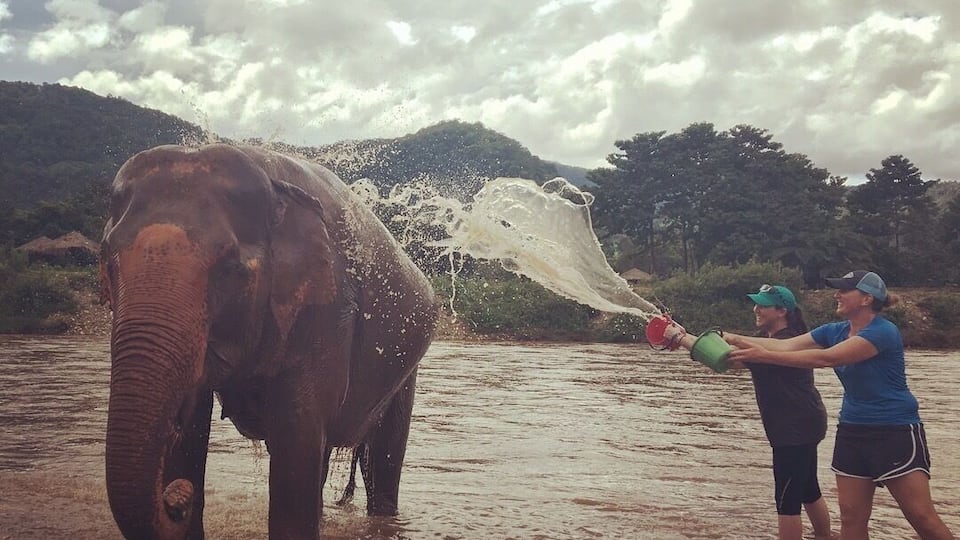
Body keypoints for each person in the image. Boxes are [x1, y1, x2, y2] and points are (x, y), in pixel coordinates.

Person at [725, 271, 955, 540]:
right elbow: (785, 345)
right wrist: (730, 337)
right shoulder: (834, 331)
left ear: (867, 299)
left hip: (894, 430)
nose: (837, 294)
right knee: (850, 518)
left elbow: (826, 359)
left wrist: (764, 356)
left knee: (922, 517)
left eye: (844, 290)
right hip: (851, 430)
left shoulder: (883, 332)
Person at [737, 284, 836, 540]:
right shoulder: (775, 339)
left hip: (794, 428)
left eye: (763, 305)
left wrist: (680, 338)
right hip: (806, 422)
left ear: (782, 311)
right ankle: (824, 537)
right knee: (808, 488)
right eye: (756, 303)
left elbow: (724, 359)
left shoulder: (781, 343)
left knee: (786, 499)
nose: (756, 309)